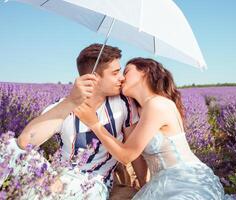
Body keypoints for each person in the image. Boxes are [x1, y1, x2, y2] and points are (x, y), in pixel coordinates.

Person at [75, 57, 232, 200]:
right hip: (162, 184)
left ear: (145, 72)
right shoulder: (139, 110)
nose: (122, 78)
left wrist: (94, 123)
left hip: (187, 181)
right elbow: (137, 156)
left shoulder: (157, 104)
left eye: (127, 72)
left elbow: (126, 155)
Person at [5, 44, 148, 199]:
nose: (121, 78)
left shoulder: (123, 104)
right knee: (9, 147)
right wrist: (71, 101)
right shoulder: (63, 106)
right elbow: (25, 142)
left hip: (95, 182)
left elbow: (133, 152)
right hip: (59, 174)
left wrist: (144, 186)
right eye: (115, 73)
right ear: (93, 78)